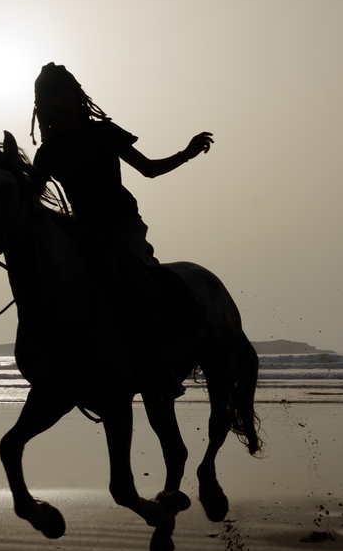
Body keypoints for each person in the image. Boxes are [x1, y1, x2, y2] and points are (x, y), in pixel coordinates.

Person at [30, 62, 213, 397]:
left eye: (68, 89)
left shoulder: (104, 132)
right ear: (46, 104)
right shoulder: (48, 153)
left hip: (122, 224)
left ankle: (160, 365)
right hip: (83, 232)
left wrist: (185, 154)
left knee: (130, 274)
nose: (65, 97)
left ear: (76, 94)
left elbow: (148, 170)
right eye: (56, 93)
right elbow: (30, 199)